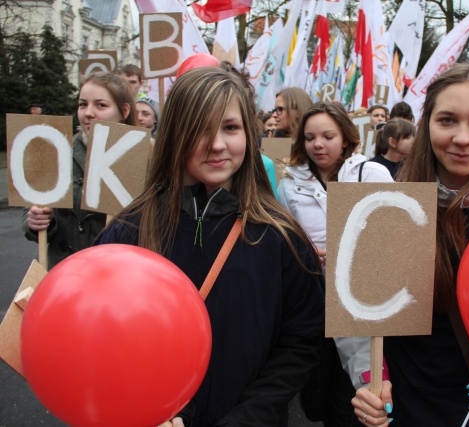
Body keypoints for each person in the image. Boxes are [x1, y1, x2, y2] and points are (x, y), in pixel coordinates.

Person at [94, 66, 325, 427]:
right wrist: (148, 407)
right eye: (200, 129)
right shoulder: (128, 232)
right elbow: (100, 338)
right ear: (174, 135)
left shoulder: (280, 237)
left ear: (249, 133)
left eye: (230, 128)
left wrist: (250, 417)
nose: (217, 144)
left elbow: (301, 342)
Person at [351, 63, 469, 426]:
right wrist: (370, 379)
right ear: (427, 127)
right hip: (405, 402)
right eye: (447, 120)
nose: (462, 137)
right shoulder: (388, 208)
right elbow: (359, 313)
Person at [277, 102, 393, 427]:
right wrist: (302, 250)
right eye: (311, 137)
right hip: (313, 304)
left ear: (345, 138)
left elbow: (395, 230)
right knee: (313, 402)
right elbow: (285, 238)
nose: (318, 144)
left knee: (349, 402)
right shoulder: (288, 183)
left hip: (359, 306)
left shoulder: (371, 173)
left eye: (328, 135)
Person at [22, 72, 136, 268]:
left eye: (101, 105)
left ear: (124, 111)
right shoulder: (57, 149)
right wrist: (36, 221)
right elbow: (32, 211)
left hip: (119, 274)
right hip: (65, 275)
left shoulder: (145, 157)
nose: (88, 112)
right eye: (83, 104)